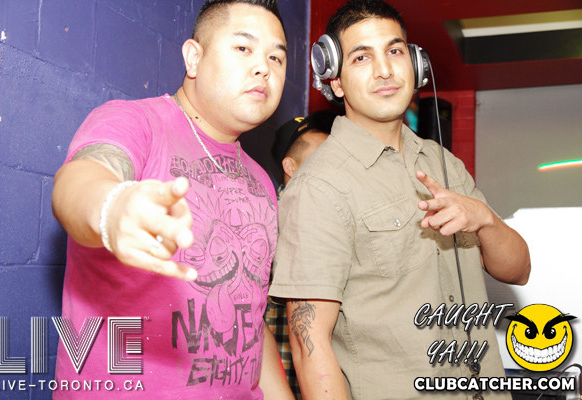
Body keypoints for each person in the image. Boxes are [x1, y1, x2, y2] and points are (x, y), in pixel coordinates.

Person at [268, 1, 531, 399]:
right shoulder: (318, 186)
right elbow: (310, 346)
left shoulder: (444, 163)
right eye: (361, 57)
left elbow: (518, 270)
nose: (385, 70)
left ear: (416, 64)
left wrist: (485, 220)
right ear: (335, 81)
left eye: (394, 51)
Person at [51, 0, 294, 398]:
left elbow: (249, 319)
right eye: (243, 48)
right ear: (194, 57)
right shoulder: (136, 122)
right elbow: (77, 181)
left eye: (276, 58)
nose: (263, 68)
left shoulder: (262, 181)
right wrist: (113, 208)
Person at [266, 110, 335, 399]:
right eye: (322, 158)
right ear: (290, 166)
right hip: (283, 377)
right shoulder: (267, 219)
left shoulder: (331, 215)